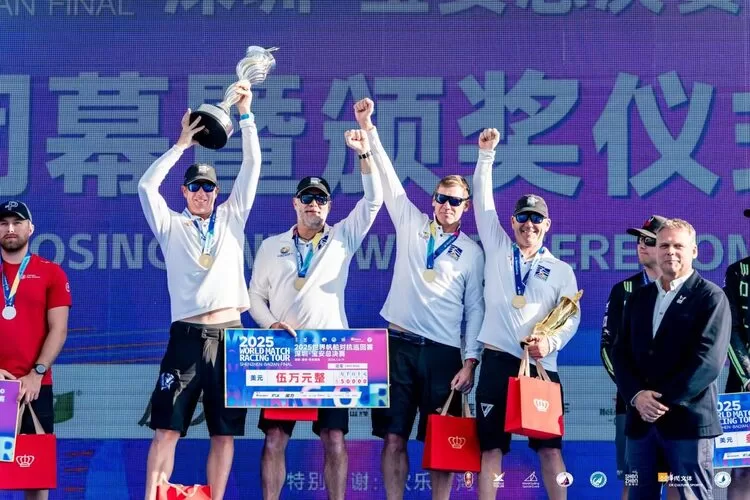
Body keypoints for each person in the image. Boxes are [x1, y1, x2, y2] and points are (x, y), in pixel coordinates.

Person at [354, 98, 485, 500]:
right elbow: (389, 179)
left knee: (440, 441)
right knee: (393, 437)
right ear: (433, 201)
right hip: (397, 347)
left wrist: (470, 360)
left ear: (466, 206)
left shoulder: (473, 252)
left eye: (455, 200)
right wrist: (369, 127)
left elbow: (475, 309)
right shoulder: (411, 223)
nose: (447, 206)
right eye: (441, 198)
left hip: (443, 354)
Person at [138, 80, 259, 500]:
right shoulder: (170, 224)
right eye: (195, 187)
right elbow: (145, 187)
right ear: (184, 191)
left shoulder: (232, 217)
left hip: (231, 337)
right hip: (186, 338)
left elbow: (252, 166)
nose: (202, 194)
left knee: (224, 433)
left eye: (209, 187)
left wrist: (246, 115)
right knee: (166, 428)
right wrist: (180, 146)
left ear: (217, 193)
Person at [248, 129, 382, 500]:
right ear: (296, 203)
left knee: (334, 438)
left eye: (320, 199)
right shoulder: (271, 246)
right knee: (275, 438)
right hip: (284, 352)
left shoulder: (342, 238)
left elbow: (373, 200)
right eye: (307, 198)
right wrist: (270, 323)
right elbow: (254, 296)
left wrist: (364, 154)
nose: (313, 205)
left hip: (332, 352)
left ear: (328, 206)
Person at [471, 128, 580, 500]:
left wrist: (550, 342)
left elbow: (571, 317)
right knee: (491, 448)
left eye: (536, 218)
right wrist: (486, 155)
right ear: (512, 221)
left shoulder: (561, 270)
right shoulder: (497, 247)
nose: (528, 224)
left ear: (547, 225)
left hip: (540, 365)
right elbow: (483, 203)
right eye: (522, 217)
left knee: (550, 449)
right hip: (497, 362)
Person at [613, 218, 731, 500]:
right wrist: (637, 396)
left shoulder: (711, 297)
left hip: (688, 424)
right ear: (655, 251)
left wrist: (659, 402)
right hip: (641, 424)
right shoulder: (638, 298)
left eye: (679, 246)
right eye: (664, 245)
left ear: (694, 251)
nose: (670, 252)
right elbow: (620, 353)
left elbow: (707, 363)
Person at [0, 201, 71, 500]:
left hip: (33, 387)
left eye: (17, 222)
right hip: (0, 385)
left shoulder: (50, 272)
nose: (10, 228)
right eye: (3, 223)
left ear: (31, 228)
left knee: (35, 475)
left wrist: (36, 373)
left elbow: (59, 329)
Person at [601, 215, 665, 500]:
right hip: (631, 403)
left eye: (649, 241)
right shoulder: (624, 290)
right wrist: (635, 391)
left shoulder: (689, 291)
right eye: (639, 240)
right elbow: (607, 347)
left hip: (673, 403)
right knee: (632, 480)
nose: (641, 245)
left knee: (676, 481)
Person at [721, 207, 750, 499]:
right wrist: (748, 375)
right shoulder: (738, 272)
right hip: (743, 386)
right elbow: (730, 328)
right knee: (741, 469)